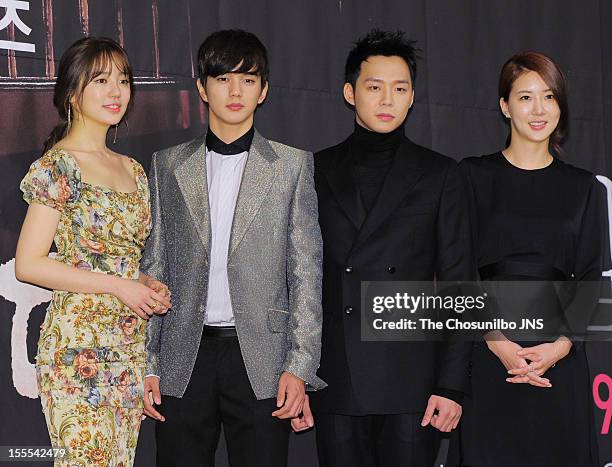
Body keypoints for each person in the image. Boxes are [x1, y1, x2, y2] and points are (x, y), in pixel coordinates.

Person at [140, 29, 326, 467]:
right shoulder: (166, 164)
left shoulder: (292, 165)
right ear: (203, 88)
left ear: (264, 91)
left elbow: (306, 274)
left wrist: (299, 365)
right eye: (223, 79)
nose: (235, 90)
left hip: (261, 359)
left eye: (248, 79)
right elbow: (154, 263)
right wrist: (148, 361)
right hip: (183, 356)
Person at [296, 29, 473, 467]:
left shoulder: (441, 175)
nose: (387, 100)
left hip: (412, 379)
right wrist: (295, 373)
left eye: (400, 88)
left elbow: (459, 284)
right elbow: (296, 278)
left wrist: (451, 386)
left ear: (413, 97)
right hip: (334, 374)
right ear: (349, 92)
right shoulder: (314, 169)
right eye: (374, 87)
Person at [15, 37, 171, 466]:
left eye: (123, 80)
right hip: (77, 350)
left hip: (128, 347)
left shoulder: (133, 170)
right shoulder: (57, 166)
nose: (116, 91)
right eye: (101, 80)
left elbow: (119, 260)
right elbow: (29, 264)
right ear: (72, 92)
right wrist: (120, 286)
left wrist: (143, 283)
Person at [459, 51, 602, 467]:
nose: (539, 110)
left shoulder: (584, 188)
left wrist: (558, 348)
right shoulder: (472, 176)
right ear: (505, 105)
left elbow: (592, 276)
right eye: (525, 98)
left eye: (550, 97)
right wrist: (497, 342)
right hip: (488, 356)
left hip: (559, 360)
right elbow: (458, 267)